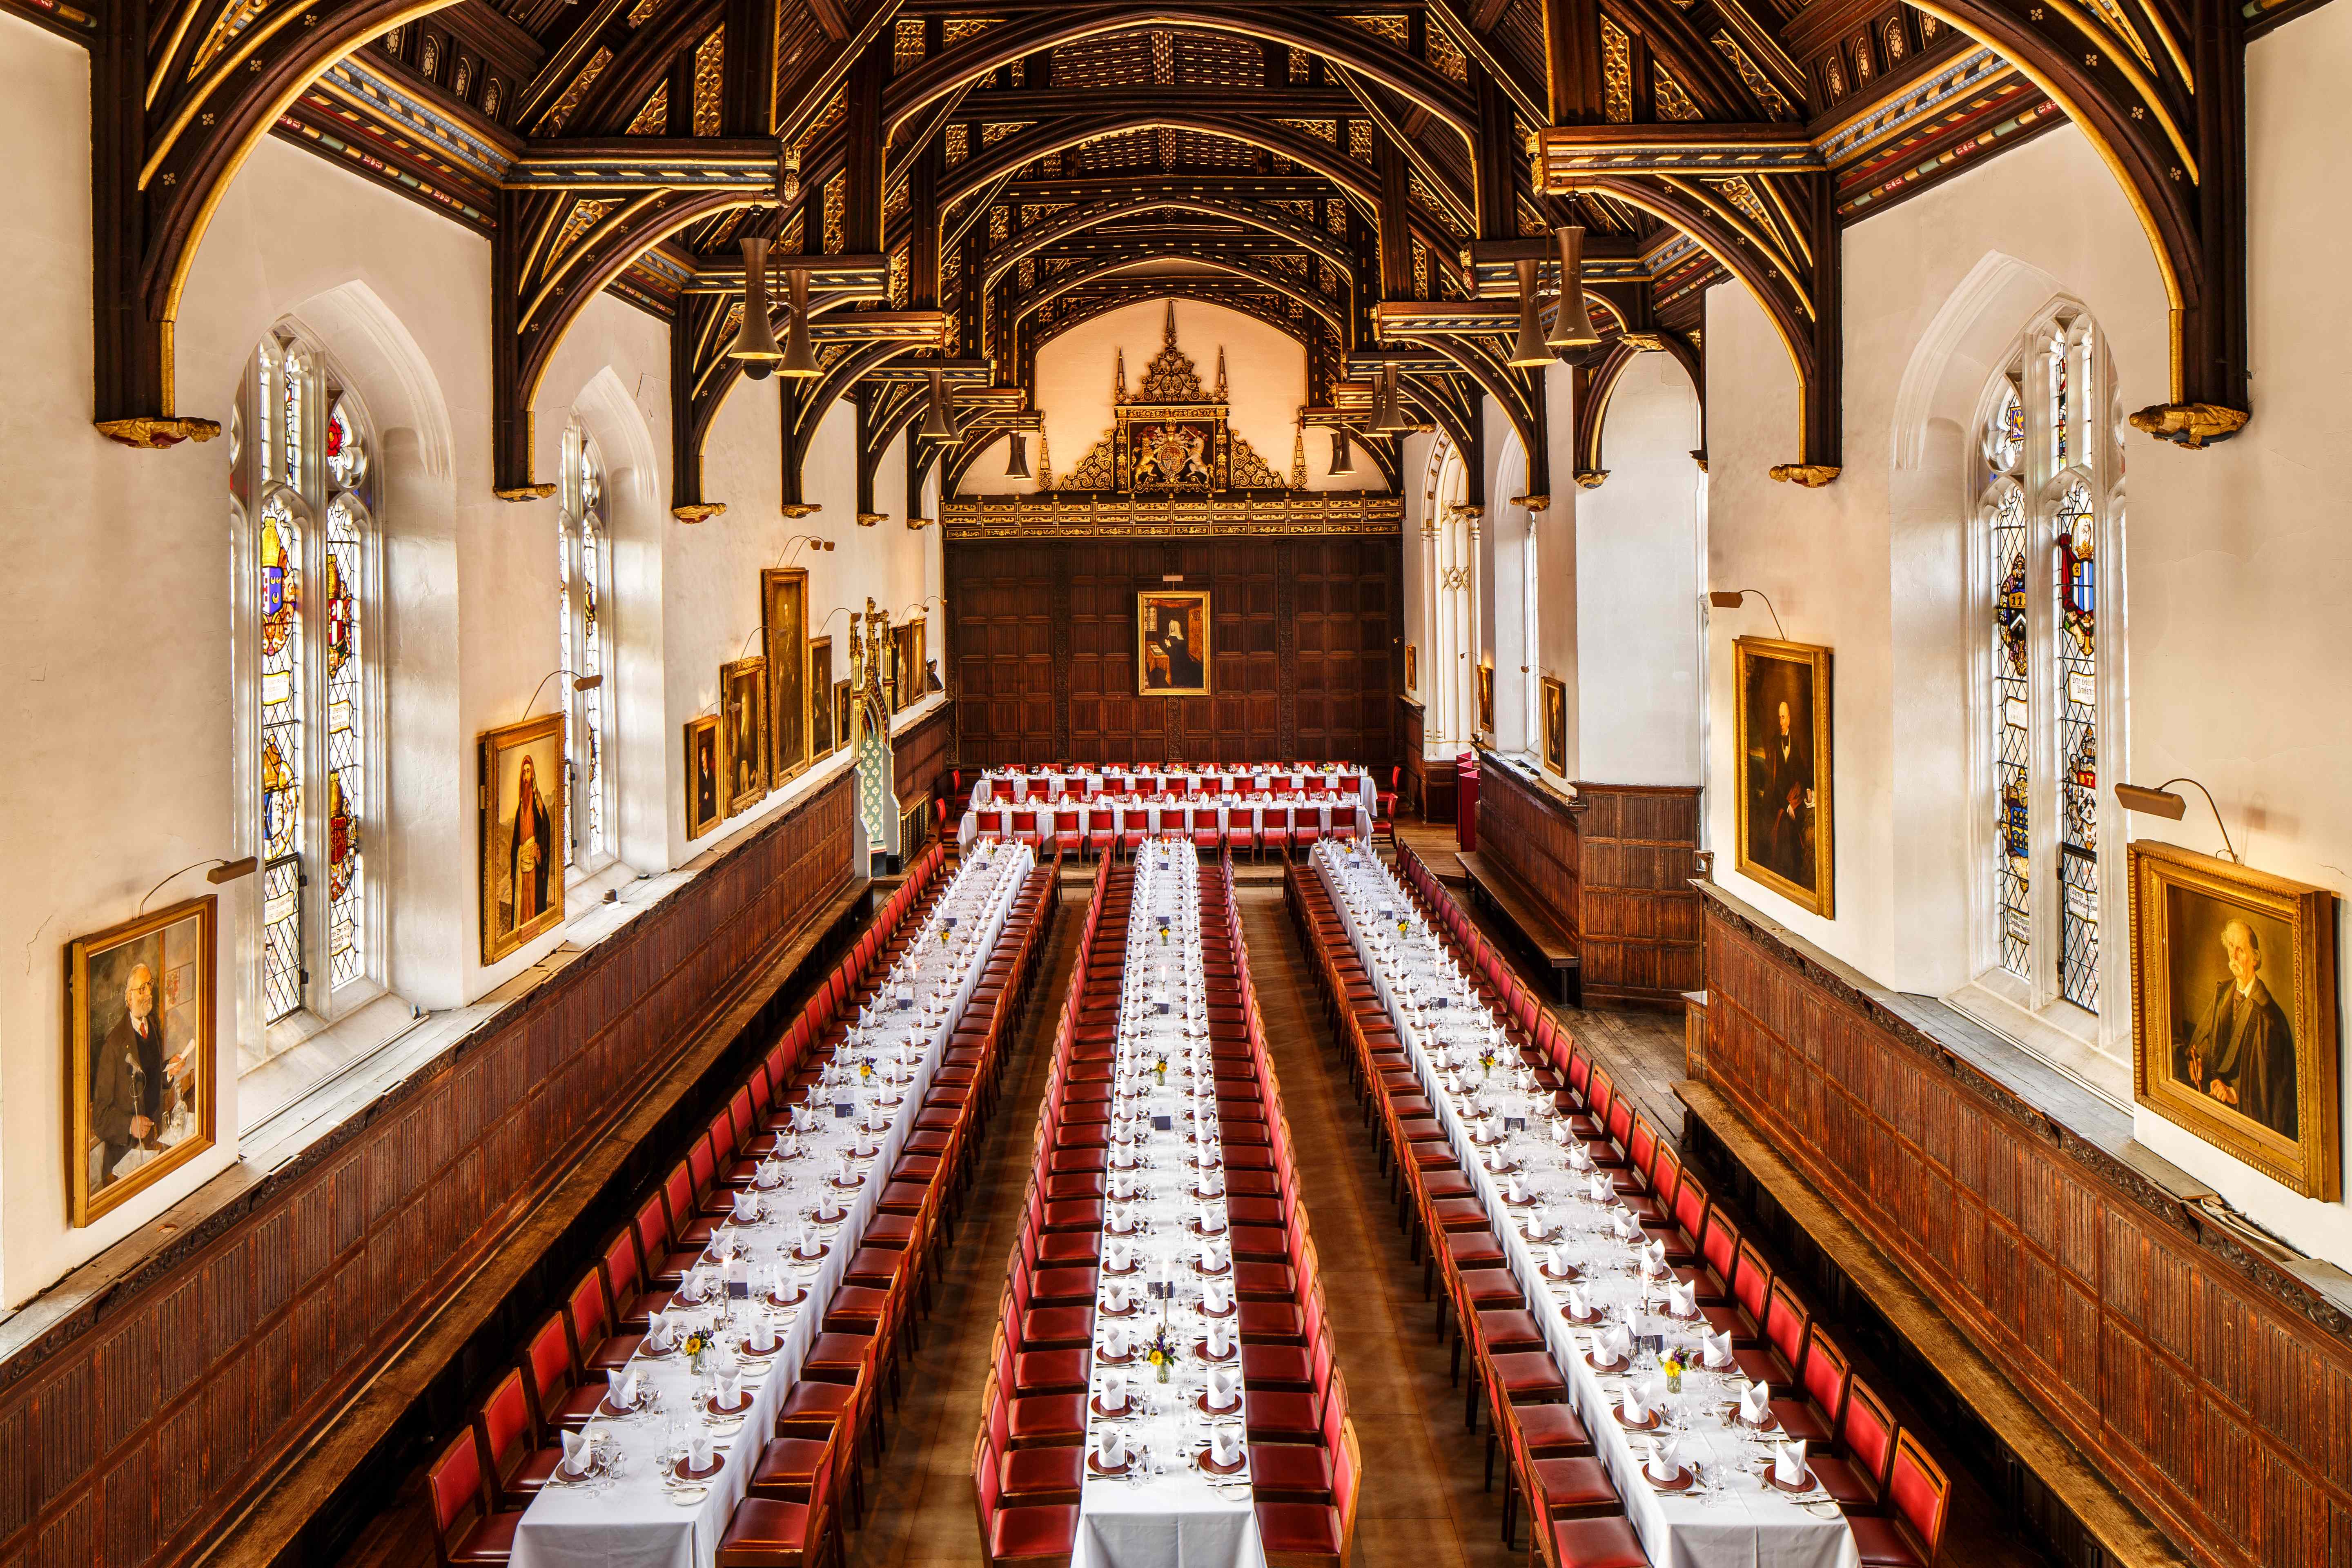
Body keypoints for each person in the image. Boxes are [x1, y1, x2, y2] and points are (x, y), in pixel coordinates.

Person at [2179, 918, 2297, 1137]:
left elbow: (2275, 1088)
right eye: (2231, 947)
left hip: (2244, 1120)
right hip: (2212, 1108)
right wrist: (2200, 1060)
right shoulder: (2222, 993)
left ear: (2255, 958)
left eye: (2241, 950)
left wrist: (2234, 1092)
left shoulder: (2270, 1017)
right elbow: (2207, 1038)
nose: (2233, 957)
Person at [89, 962, 166, 1184]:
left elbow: (151, 1077)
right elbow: (101, 1119)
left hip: (153, 1144)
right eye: (142, 989)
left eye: (149, 985)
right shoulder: (113, 1046)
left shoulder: (152, 1024)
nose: (149, 993)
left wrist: (169, 1072)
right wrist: (130, 1124)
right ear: (129, 998)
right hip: (124, 1161)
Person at [1752, 696, 1814, 887]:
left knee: (1798, 839)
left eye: (1784, 717)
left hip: (1797, 799)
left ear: (1790, 719)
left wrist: (1809, 789)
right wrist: (1786, 805)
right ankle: (1786, 878)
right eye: (1779, 718)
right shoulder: (1773, 744)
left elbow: (1803, 772)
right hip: (1781, 802)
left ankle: (1797, 877)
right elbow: (1773, 782)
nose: (1781, 722)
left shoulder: (1797, 743)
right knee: (1783, 834)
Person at [508, 753, 554, 930]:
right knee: (522, 901)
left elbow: (545, 827)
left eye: (529, 772)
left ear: (533, 774)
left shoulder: (538, 802)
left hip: (533, 863)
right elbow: (515, 839)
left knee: (533, 898)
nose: (526, 776)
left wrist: (539, 846)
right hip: (522, 862)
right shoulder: (521, 805)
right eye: (524, 773)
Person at [1148, 610, 1203, 691]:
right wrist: (1167, 645)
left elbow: (1180, 650)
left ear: (1177, 627)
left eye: (1173, 626)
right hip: (1171, 654)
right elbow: (1169, 647)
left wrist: (1170, 645)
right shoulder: (1170, 635)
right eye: (1171, 626)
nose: (1171, 628)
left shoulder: (1180, 638)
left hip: (1179, 658)